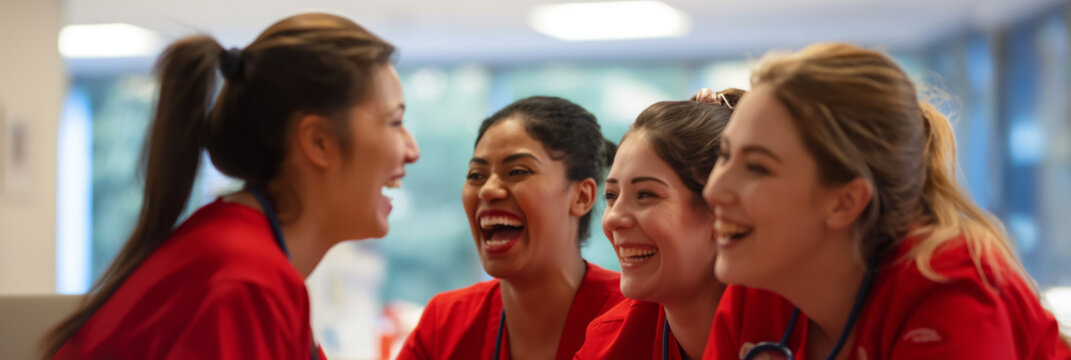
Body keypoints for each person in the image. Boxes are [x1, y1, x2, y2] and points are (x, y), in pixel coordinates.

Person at [42, 12, 419, 359]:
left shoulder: (247, 258)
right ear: (318, 141)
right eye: (394, 121)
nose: (411, 150)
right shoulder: (244, 280)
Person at [702, 42, 1070, 359]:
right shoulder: (763, 286)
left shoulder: (951, 291)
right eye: (724, 155)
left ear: (845, 202)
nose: (713, 189)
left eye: (756, 168)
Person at [398, 96, 625, 360]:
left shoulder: (637, 318)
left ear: (582, 197)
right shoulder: (445, 322)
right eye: (475, 175)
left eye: (517, 171)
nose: (488, 190)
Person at [574, 89, 743, 360]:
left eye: (646, 195)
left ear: (724, 211)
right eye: (611, 196)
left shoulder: (805, 332)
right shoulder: (609, 345)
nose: (613, 219)